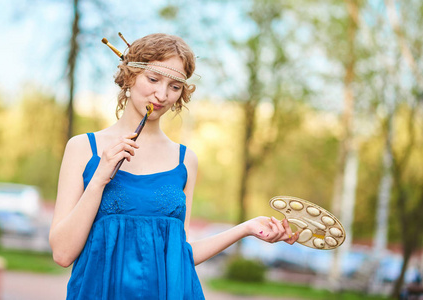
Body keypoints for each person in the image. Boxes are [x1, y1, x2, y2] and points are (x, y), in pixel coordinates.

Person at [49, 33, 300, 299]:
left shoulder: (185, 160)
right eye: (153, 79)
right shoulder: (82, 148)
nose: (162, 95)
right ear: (130, 75)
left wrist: (246, 228)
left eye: (175, 86)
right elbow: (62, 254)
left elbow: (181, 252)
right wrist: (99, 179)